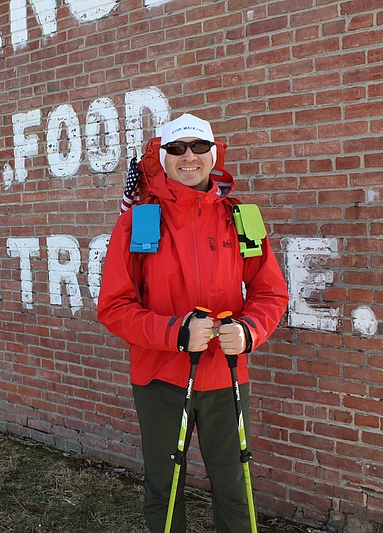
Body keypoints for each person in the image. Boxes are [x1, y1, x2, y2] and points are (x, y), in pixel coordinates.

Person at [97, 114, 289, 532]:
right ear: (163, 157)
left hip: (227, 375)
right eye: (177, 148)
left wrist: (251, 329)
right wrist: (175, 333)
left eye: (199, 147)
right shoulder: (140, 220)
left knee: (234, 484)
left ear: (214, 154)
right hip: (160, 377)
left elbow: (270, 292)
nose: (189, 157)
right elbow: (113, 305)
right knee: (164, 488)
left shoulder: (243, 217)